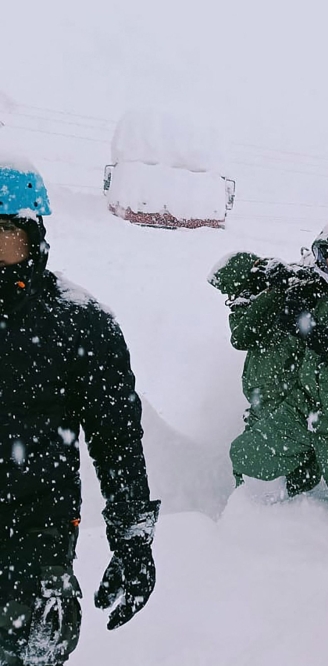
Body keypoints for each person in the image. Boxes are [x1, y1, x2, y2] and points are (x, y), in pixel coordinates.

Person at [0, 163, 159, 665]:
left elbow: (116, 441)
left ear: (35, 238)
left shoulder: (80, 324)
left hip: (36, 535)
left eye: (4, 234)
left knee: (34, 646)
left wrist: (132, 537)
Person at [212, 220, 328, 538]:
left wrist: (313, 331)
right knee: (250, 454)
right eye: (325, 257)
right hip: (305, 406)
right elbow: (251, 328)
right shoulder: (323, 290)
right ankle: (260, 526)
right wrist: (281, 290)